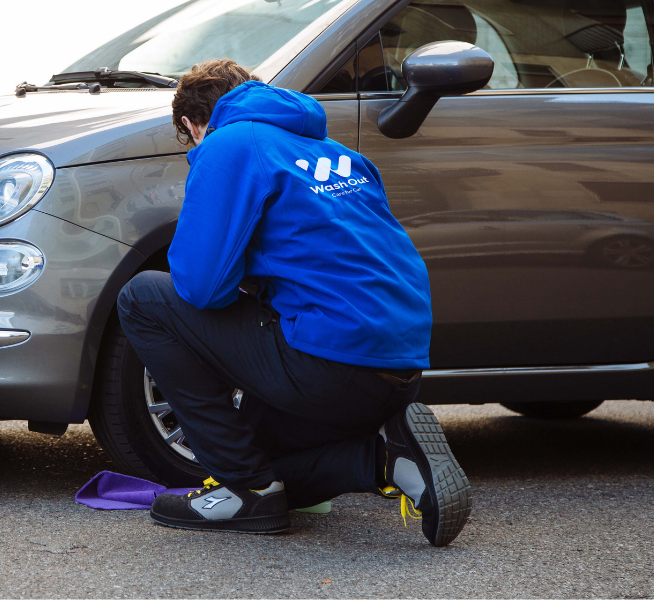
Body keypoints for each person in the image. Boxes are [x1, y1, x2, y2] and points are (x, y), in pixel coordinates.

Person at [116, 59, 471, 546]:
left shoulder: (228, 143)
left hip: (329, 363)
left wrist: (238, 283)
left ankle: (245, 491)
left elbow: (199, 287)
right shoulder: (336, 152)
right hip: (395, 372)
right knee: (263, 460)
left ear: (189, 125)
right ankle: (386, 459)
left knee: (143, 298)